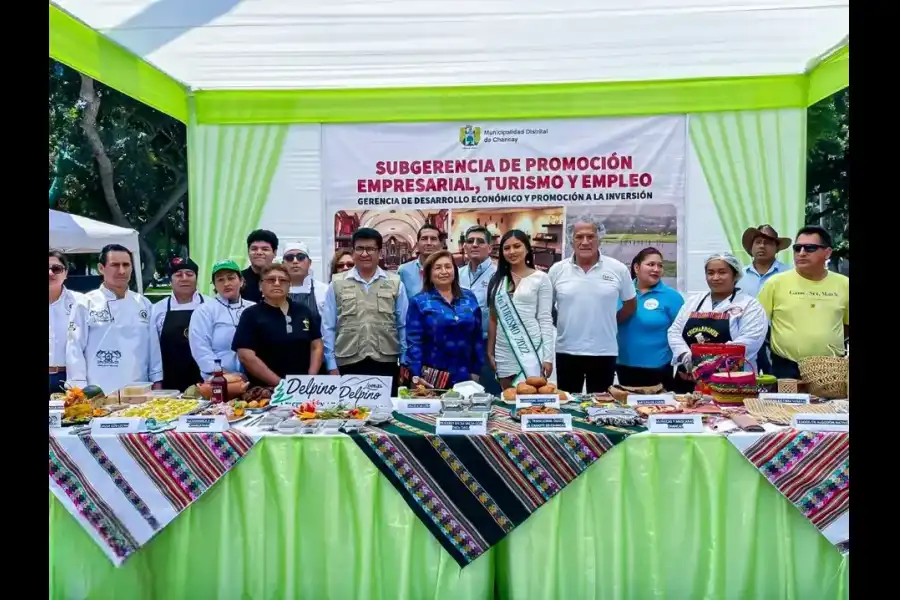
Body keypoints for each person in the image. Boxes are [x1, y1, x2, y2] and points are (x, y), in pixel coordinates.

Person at [548, 215, 636, 393]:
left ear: (599, 238)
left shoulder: (618, 269)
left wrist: (609, 320)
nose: (585, 242)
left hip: (604, 351)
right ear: (571, 241)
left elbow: (630, 304)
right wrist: (564, 323)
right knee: (568, 406)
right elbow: (547, 308)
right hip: (567, 351)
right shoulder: (557, 270)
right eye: (579, 237)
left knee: (602, 409)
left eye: (590, 236)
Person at [321, 228, 408, 394]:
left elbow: (402, 324)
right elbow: (328, 327)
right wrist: (331, 365)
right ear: (353, 252)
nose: (365, 253)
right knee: (350, 412)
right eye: (360, 248)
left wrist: (404, 361)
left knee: (386, 412)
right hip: (348, 360)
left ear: (379, 252)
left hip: (386, 361)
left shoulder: (395, 283)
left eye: (371, 249)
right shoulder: (337, 283)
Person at [66, 244, 163, 394]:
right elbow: (75, 349)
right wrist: (79, 389)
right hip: (97, 390)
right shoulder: (85, 304)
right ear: (101, 268)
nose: (122, 271)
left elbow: (153, 348)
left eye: (126, 265)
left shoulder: (144, 304)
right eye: (115, 265)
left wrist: (157, 381)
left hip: (139, 389)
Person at [667, 252, 768, 393]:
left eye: (722, 272)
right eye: (710, 273)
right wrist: (685, 355)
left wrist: (704, 363)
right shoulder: (694, 302)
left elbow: (751, 340)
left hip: (732, 382)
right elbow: (674, 332)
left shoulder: (750, 305)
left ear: (735, 275)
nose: (715, 278)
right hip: (689, 380)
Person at [757, 226, 849, 379]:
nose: (802, 253)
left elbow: (846, 325)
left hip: (831, 369)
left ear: (827, 253)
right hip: (785, 367)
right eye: (797, 248)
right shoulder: (775, 283)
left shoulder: (844, 284)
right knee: (784, 404)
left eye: (810, 248)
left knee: (831, 404)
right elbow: (758, 324)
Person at [232, 264, 323, 386]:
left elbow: (316, 345)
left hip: (305, 387)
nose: (276, 283)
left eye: (283, 280)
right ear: (260, 286)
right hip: (267, 391)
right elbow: (246, 356)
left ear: (289, 286)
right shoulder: (250, 315)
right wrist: (281, 385)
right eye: (271, 280)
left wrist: (310, 378)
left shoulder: (303, 311)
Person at [487, 230, 555, 390]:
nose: (512, 252)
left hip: (531, 347)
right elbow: (493, 318)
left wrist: (548, 356)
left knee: (533, 399)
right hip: (503, 349)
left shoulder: (541, 278)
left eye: (517, 246)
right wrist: (490, 352)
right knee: (508, 397)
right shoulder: (497, 280)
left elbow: (545, 318)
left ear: (527, 249)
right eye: (507, 248)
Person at [406, 251, 484, 387]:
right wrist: (416, 374)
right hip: (432, 377)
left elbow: (477, 337)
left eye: (448, 267)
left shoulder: (469, 297)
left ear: (455, 270)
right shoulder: (419, 302)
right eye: (438, 268)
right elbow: (414, 342)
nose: (444, 271)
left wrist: (476, 371)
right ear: (429, 274)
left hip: (466, 376)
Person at [616, 248, 684, 388]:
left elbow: (682, 332)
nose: (656, 269)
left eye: (660, 265)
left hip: (659, 368)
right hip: (623, 366)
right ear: (636, 267)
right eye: (651, 264)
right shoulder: (619, 293)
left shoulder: (672, 297)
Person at [188, 260, 255, 381]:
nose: (226, 283)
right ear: (214, 285)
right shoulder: (205, 311)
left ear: (241, 281)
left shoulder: (254, 308)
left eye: (231, 278)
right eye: (220, 280)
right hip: (219, 380)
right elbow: (201, 351)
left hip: (256, 378)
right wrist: (227, 375)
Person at [150, 258, 210, 391]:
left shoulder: (210, 306)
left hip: (206, 381)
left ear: (196, 278)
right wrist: (156, 381)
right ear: (170, 280)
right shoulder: (157, 310)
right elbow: (153, 350)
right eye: (178, 275)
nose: (184, 278)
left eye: (189, 274)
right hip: (170, 381)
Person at [740, 224, 791, 374]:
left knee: (778, 380)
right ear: (751, 247)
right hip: (746, 336)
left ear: (777, 248)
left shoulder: (789, 274)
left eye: (768, 243)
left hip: (779, 338)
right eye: (758, 242)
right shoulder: (738, 276)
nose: (762, 246)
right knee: (747, 378)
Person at [458, 225, 500, 394]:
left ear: (490, 248)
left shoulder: (499, 274)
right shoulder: (457, 274)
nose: (474, 245)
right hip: (460, 343)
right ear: (464, 247)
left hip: (489, 345)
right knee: (462, 392)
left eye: (480, 241)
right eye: (470, 241)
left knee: (489, 392)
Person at [49, 250, 84, 396]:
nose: (50, 273)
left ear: (66, 273)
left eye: (56, 269)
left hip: (69, 377)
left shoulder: (81, 302)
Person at [282, 242, 327, 318]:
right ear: (283, 264)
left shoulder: (324, 291)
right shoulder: (275, 290)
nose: (295, 261)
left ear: (309, 263)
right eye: (289, 258)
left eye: (300, 257)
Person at [397, 223, 444, 298]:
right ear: (417, 244)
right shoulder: (403, 270)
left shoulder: (449, 271)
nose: (429, 243)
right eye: (424, 239)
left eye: (433, 239)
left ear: (441, 244)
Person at [241, 229, 279, 303]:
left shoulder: (282, 279)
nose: (259, 252)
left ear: (274, 253)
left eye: (265, 249)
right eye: (254, 249)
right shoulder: (238, 279)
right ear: (248, 251)